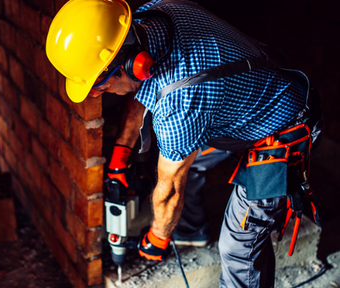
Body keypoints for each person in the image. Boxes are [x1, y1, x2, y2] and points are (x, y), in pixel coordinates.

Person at [46, 0, 322, 287]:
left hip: (286, 126)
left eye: (98, 85)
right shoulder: (154, 15)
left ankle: (193, 235)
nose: (95, 94)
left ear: (132, 65)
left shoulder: (180, 104)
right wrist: (121, 152)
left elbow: (170, 190)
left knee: (239, 246)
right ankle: (191, 230)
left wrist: (158, 236)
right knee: (182, 157)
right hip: (244, 101)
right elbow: (140, 90)